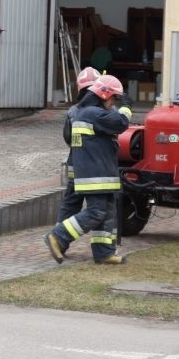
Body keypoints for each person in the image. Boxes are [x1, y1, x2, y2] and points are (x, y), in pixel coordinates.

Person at [44, 74, 131, 265]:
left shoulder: (86, 113)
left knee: (107, 213)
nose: (114, 103)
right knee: (96, 212)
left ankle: (104, 252)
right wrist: (126, 108)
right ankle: (58, 236)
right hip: (96, 174)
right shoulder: (93, 113)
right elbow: (121, 123)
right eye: (114, 98)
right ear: (104, 95)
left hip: (102, 173)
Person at [55, 66, 101, 256]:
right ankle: (102, 248)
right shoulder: (103, 111)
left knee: (70, 204)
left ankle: (58, 242)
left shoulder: (73, 111)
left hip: (75, 164)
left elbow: (67, 137)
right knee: (98, 207)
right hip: (94, 169)